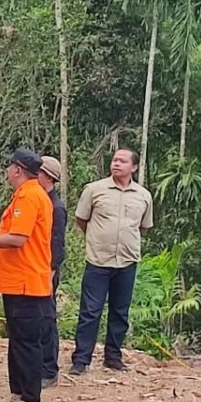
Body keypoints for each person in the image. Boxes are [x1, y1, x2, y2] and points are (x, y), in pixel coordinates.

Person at [0, 149, 54, 402]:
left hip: (27, 279)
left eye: (10, 166)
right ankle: (18, 391)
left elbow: (17, 238)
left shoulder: (31, 195)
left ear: (17, 170)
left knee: (26, 341)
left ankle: (31, 399)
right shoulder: (25, 194)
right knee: (17, 339)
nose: (7, 171)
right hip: (15, 280)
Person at [71, 149, 154, 374]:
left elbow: (144, 227)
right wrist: (98, 238)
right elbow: (82, 219)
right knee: (90, 311)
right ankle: (81, 360)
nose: (116, 164)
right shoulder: (94, 190)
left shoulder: (143, 195)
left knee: (120, 311)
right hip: (98, 260)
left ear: (134, 168)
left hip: (127, 261)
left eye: (122, 161)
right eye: (114, 160)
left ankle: (113, 357)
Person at [37, 156, 67, 387]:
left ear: (47, 176)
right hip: (36, 267)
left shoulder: (55, 207)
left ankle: (49, 369)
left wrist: (51, 271)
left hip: (46, 270)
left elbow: (57, 244)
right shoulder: (40, 201)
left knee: (47, 317)